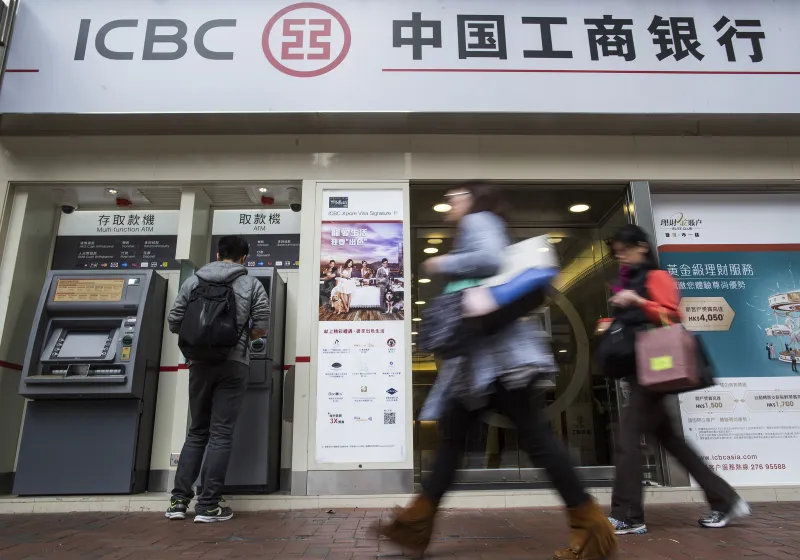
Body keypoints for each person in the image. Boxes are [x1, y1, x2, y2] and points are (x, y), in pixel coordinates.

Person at [372, 183, 617, 560]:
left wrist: (441, 262)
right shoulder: (476, 223)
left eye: (456, 195)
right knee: (456, 440)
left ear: (473, 200)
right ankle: (415, 525)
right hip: (481, 362)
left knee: (531, 439)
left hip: (499, 360)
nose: (451, 202)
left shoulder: (478, 220)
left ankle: (592, 526)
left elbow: (488, 259)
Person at [605, 224, 749, 535]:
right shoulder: (627, 281)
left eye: (625, 249)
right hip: (638, 369)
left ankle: (628, 516)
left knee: (628, 440)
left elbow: (673, 316)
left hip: (654, 368)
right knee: (670, 440)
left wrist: (638, 302)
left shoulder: (656, 277)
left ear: (642, 247)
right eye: (617, 252)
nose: (621, 256)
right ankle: (724, 499)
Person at [165, 235, 270, 523]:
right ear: (245, 258)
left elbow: (175, 321)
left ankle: (177, 502)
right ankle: (208, 505)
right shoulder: (251, 284)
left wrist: (200, 341)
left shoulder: (194, 281)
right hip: (233, 364)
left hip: (199, 364)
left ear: (218, 253)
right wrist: (237, 339)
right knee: (221, 433)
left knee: (197, 431)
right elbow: (261, 325)